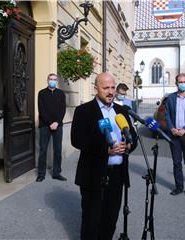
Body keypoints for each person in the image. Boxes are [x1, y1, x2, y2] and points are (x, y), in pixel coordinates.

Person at [71, 72, 137, 240]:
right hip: (94, 173)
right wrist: (105, 150)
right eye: (105, 87)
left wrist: (129, 144)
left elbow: (133, 137)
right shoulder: (84, 110)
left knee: (110, 219)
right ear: (96, 89)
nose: (110, 91)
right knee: (91, 220)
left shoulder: (121, 111)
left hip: (117, 174)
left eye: (112, 87)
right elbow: (77, 139)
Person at [36, 73, 66, 182]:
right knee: (43, 150)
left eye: (54, 79)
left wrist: (57, 122)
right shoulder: (42, 93)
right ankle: (41, 174)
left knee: (57, 150)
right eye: (50, 79)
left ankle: (57, 173)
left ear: (57, 81)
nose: (52, 81)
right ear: (47, 80)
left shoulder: (61, 93)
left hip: (58, 125)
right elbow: (41, 110)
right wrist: (50, 123)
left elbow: (63, 109)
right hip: (45, 125)